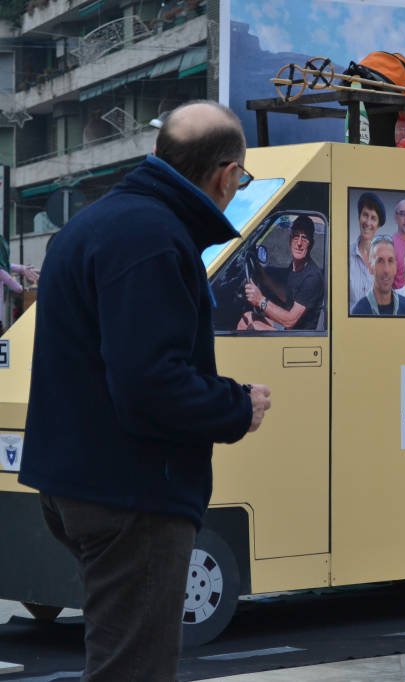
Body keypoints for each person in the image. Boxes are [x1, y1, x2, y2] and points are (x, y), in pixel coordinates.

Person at [17, 100, 272, 681]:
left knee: (114, 657)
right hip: (130, 495)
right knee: (133, 670)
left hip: (75, 482)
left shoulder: (93, 223)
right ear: (227, 174)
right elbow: (149, 386)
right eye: (242, 179)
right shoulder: (156, 240)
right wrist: (236, 405)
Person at [237, 214, 324, 331]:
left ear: (311, 244)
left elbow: (289, 321)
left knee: (252, 327)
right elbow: (288, 297)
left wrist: (260, 300)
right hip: (291, 331)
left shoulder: (312, 277)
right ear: (290, 240)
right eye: (296, 236)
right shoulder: (295, 267)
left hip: (299, 337)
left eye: (304, 238)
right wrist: (264, 278)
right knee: (246, 318)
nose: (299, 243)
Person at [351, 233, 405, 316]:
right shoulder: (359, 311)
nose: (386, 270)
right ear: (370, 267)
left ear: (396, 267)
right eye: (380, 261)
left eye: (390, 261)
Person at [350, 191, 385, 311]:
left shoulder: (385, 262)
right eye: (365, 215)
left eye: (373, 218)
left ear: (378, 224)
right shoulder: (345, 256)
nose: (368, 223)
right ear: (359, 217)